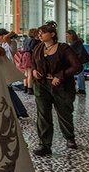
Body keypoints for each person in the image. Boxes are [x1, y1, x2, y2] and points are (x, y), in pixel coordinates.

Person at [30, 21, 82, 156]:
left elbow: (77, 66)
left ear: (52, 34)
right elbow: (33, 63)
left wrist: (61, 75)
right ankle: (44, 145)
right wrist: (34, 71)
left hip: (62, 86)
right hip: (42, 85)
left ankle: (69, 137)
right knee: (43, 115)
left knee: (64, 113)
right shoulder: (38, 48)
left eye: (43, 32)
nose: (40, 34)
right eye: (39, 32)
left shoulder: (63, 48)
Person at [0, 29, 28, 118]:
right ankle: (19, 111)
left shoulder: (11, 43)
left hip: (7, 70)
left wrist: (9, 34)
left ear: (4, 36)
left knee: (8, 90)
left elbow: (6, 37)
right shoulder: (4, 44)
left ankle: (18, 111)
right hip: (3, 70)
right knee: (8, 91)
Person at [65, 29, 89, 95]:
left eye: (67, 34)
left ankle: (81, 89)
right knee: (79, 74)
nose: (66, 36)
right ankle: (80, 89)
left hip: (80, 61)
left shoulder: (75, 43)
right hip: (81, 60)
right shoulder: (77, 42)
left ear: (71, 35)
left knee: (80, 75)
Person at [21, 28, 40, 95]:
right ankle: (30, 89)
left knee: (25, 73)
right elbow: (33, 49)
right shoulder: (35, 41)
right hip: (29, 55)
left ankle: (25, 88)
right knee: (30, 73)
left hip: (24, 55)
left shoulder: (27, 40)